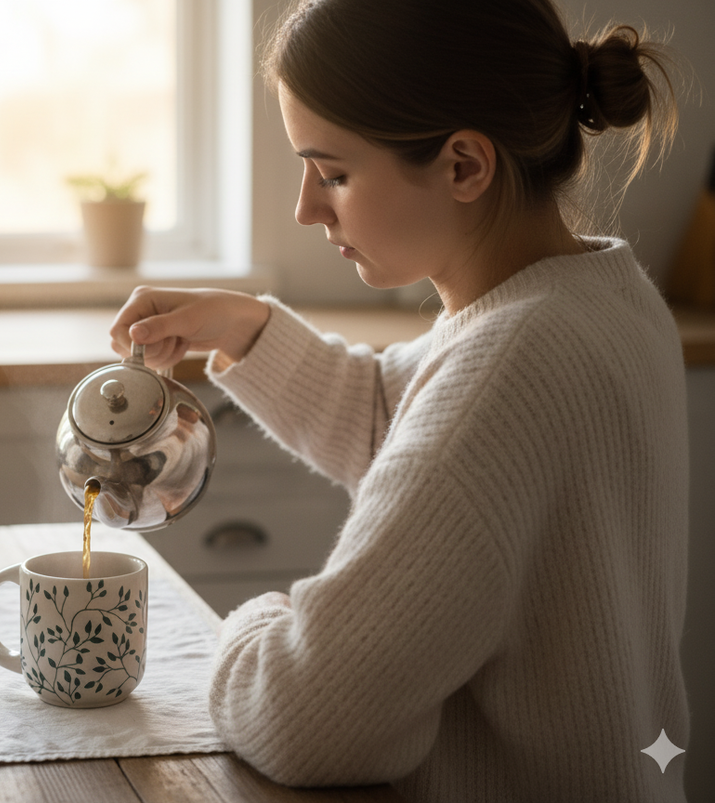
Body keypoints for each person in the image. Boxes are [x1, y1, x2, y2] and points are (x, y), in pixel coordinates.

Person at [108, 1, 688, 801]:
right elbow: (410, 421)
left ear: (463, 166)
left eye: (335, 173)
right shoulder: (602, 298)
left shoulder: (511, 363)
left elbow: (305, 718)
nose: (307, 208)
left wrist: (246, 623)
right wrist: (246, 327)